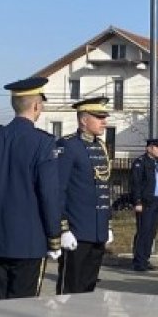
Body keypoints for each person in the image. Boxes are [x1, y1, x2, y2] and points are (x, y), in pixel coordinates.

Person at [0, 77, 61, 300]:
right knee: (23, 307)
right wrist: (54, 237)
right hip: (30, 241)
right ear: (37, 106)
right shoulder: (43, 143)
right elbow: (49, 195)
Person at [57, 96, 114, 294]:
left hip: (97, 230)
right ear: (83, 120)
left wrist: (107, 224)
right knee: (71, 288)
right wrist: (63, 229)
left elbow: (104, 188)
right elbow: (58, 191)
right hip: (77, 231)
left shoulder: (100, 146)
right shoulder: (68, 146)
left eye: (104, 116)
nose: (104, 121)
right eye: (99, 117)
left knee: (89, 288)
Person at [130, 138, 158, 272]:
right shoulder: (140, 162)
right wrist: (137, 201)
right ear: (149, 148)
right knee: (143, 231)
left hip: (157, 202)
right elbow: (136, 184)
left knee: (151, 232)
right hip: (146, 203)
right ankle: (139, 261)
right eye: (157, 147)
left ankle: (145, 258)